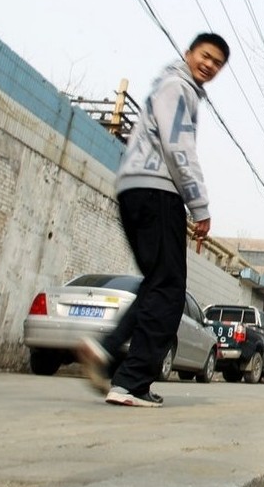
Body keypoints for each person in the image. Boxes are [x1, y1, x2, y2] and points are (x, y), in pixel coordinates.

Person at [74, 33, 230, 408]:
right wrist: (200, 206)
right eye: (205, 56)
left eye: (217, 63)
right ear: (188, 53)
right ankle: (130, 384)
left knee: (157, 283)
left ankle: (106, 350)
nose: (209, 66)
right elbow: (179, 147)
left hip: (133, 188)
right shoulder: (179, 88)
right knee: (169, 290)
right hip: (158, 190)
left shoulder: (168, 86)